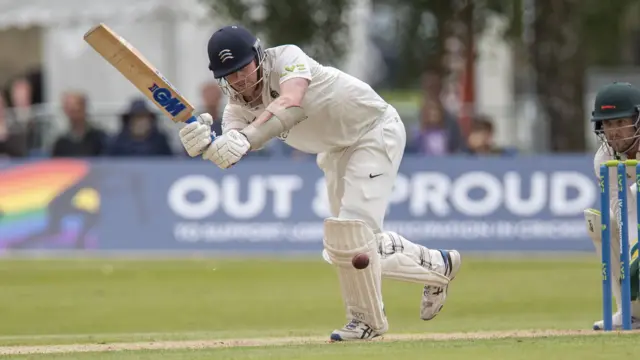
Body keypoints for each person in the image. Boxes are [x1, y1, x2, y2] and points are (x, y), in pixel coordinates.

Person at [178, 25, 462, 341]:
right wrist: (206, 145)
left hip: (374, 130)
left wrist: (242, 138)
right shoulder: (236, 109)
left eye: (243, 67)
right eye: (230, 74)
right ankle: (439, 264)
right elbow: (231, 151)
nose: (239, 79)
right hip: (335, 150)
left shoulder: (287, 58)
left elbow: (292, 101)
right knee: (342, 249)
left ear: (258, 57)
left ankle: (366, 322)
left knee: (353, 234)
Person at [585, 81, 640, 330]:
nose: (614, 132)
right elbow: (623, 209)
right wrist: (634, 250)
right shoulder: (604, 159)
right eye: (608, 124)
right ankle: (631, 312)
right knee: (601, 222)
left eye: (621, 122)